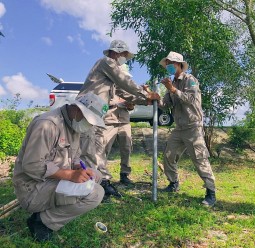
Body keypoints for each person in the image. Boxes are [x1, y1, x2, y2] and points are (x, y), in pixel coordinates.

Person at [12, 93, 108, 242]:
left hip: (52, 182)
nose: (90, 125)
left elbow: (74, 157)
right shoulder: (47, 124)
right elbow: (32, 165)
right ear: (77, 109)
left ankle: (48, 213)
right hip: (32, 188)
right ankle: (42, 221)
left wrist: (79, 168)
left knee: (97, 176)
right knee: (95, 193)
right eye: (89, 120)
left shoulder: (74, 125)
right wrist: (70, 175)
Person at [77, 40, 160, 196]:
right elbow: (125, 81)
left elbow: (125, 93)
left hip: (96, 114)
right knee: (92, 149)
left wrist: (145, 100)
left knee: (96, 148)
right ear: (116, 52)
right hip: (88, 111)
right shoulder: (106, 62)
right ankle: (99, 184)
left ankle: (101, 182)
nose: (124, 58)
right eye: (123, 55)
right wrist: (146, 94)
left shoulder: (110, 77)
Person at [159, 51, 216, 206]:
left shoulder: (190, 80)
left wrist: (173, 90)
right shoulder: (172, 83)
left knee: (199, 159)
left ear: (179, 65)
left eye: (171, 63)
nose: (169, 66)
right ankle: (174, 183)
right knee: (168, 154)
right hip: (179, 128)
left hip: (193, 127)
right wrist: (155, 98)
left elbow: (191, 100)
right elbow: (166, 105)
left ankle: (211, 192)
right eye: (167, 63)